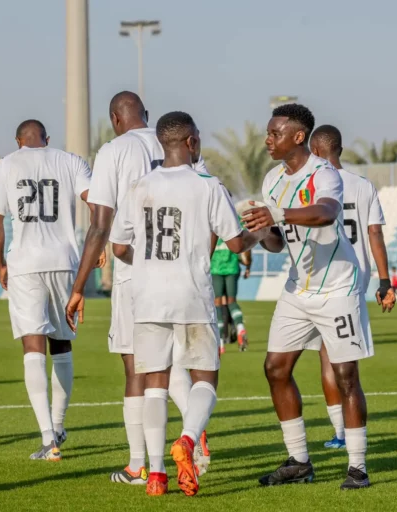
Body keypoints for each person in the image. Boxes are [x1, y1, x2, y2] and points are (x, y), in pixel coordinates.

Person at [107, 111, 264, 496]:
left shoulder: (139, 185)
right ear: (191, 142)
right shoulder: (207, 185)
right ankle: (189, 440)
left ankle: (156, 474)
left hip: (146, 298)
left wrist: (145, 265)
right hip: (191, 294)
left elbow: (119, 247)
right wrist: (262, 232)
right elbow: (236, 243)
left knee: (155, 384)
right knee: (205, 378)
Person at [66, 92, 209, 483]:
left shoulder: (114, 150)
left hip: (137, 276)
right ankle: (195, 429)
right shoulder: (178, 141)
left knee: (137, 368)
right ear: (146, 116)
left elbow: (100, 223)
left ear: (115, 118)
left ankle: (138, 464)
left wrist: (79, 287)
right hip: (188, 277)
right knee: (174, 365)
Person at [242, 104, 372, 490]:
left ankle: (357, 467)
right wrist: (256, 231)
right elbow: (278, 244)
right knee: (275, 368)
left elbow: (327, 213)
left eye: (275, 133)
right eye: (268, 133)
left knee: (346, 376)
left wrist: (277, 214)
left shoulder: (324, 173)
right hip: (298, 288)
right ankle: (299, 461)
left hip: (337, 288)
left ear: (298, 137)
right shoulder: (271, 179)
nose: (268, 140)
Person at [0, 119, 101, 461]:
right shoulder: (70, 160)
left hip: (25, 263)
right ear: (47, 139)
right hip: (65, 261)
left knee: (32, 345)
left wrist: (1, 264)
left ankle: (48, 438)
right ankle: (60, 426)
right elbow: (97, 204)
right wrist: (100, 242)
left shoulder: (6, 164)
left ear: (18, 141)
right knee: (61, 343)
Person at [309, 124, 396, 450]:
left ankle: (340, 434)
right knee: (348, 361)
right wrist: (384, 281)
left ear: (315, 151)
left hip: (320, 280)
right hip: (354, 281)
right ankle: (353, 432)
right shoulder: (363, 186)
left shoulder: (312, 184)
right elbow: (375, 234)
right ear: (340, 150)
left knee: (326, 357)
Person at [211, 193, 251, 352]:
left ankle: (220, 342)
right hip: (232, 268)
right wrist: (248, 267)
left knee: (218, 304)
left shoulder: (211, 219)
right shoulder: (236, 220)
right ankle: (240, 327)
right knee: (232, 301)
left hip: (215, 268)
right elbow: (245, 249)